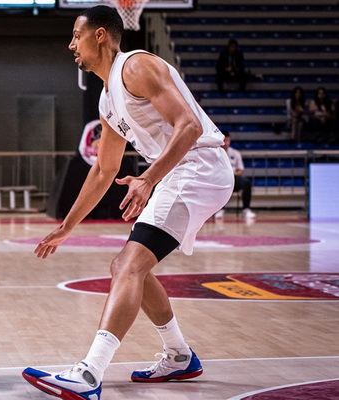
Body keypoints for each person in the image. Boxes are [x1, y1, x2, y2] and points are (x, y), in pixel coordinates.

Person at [21, 6, 233, 399]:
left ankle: (89, 374)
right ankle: (179, 355)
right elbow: (103, 170)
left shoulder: (134, 66)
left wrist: (149, 179)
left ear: (99, 35)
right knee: (131, 267)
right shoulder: (107, 101)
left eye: (76, 36)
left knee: (128, 265)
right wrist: (67, 226)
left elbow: (190, 126)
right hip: (178, 172)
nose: (71, 44)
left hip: (198, 168)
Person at [214, 131, 255, 220]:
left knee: (246, 182)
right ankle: (219, 209)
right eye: (224, 140)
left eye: (227, 140)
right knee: (217, 183)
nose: (225, 142)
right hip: (219, 179)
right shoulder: (215, 153)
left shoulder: (235, 153)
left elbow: (240, 170)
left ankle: (246, 209)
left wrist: (233, 174)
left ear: (230, 140)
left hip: (233, 178)